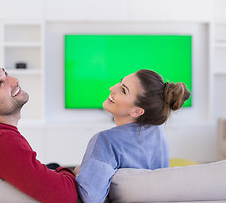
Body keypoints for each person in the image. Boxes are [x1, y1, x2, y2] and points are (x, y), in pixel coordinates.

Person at [0, 58, 78, 203]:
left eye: (5, 73)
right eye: (0, 83)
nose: (14, 80)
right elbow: (67, 196)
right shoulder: (2, 142)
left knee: (53, 166)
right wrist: (70, 172)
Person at [74, 69, 190, 203]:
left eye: (123, 90)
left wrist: (78, 172)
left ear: (137, 111)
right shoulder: (158, 132)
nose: (112, 88)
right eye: (120, 82)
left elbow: (90, 197)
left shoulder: (105, 141)